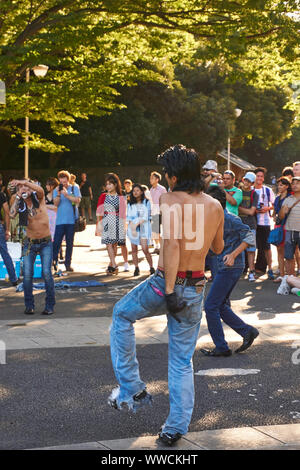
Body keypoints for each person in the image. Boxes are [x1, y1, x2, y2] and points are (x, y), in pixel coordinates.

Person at [108, 144, 224, 446]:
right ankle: (175, 427)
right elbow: (218, 248)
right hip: (197, 285)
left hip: (166, 283)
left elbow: (169, 244)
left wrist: (170, 290)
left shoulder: (165, 199)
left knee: (121, 314)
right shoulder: (214, 205)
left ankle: (131, 386)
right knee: (182, 361)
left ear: (172, 176)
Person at [201, 185, 258, 358]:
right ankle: (247, 331)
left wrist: (233, 254)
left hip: (231, 267)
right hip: (221, 267)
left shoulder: (230, 219)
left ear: (217, 203)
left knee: (210, 306)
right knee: (221, 305)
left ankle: (221, 347)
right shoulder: (212, 220)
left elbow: (250, 236)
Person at [9, 179, 55, 314]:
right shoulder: (20, 203)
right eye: (22, 188)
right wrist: (18, 195)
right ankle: (29, 305)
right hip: (29, 244)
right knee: (28, 275)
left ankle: (50, 305)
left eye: (27, 187)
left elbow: (40, 190)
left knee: (46, 273)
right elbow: (11, 214)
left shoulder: (38, 198)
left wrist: (24, 182)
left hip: (45, 242)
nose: (25, 189)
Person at [95, 173, 128, 275]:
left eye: (110, 184)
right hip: (106, 221)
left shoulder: (121, 197)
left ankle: (111, 265)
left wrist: (123, 227)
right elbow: (99, 211)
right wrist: (98, 225)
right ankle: (114, 264)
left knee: (114, 245)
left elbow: (123, 214)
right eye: (107, 184)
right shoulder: (103, 196)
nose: (108, 186)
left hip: (118, 221)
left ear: (115, 185)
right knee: (108, 243)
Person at [52, 170, 81, 272]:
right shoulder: (56, 190)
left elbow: (78, 200)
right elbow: (55, 204)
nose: (63, 184)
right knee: (56, 243)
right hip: (59, 221)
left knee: (70, 243)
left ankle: (68, 264)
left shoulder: (74, 188)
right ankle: (54, 263)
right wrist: (59, 194)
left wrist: (67, 195)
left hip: (71, 221)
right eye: (61, 182)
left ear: (68, 180)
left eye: (64, 182)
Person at [127, 184, 154, 276]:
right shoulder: (130, 203)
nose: (135, 192)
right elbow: (129, 217)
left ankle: (151, 267)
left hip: (144, 227)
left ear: (142, 192)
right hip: (133, 228)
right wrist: (132, 227)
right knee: (134, 249)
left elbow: (146, 216)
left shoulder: (146, 202)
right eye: (134, 191)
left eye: (137, 190)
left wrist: (136, 224)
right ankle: (136, 268)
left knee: (145, 249)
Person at [254, 167, 275, 279]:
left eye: (261, 176)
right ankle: (251, 269)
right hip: (252, 221)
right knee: (252, 247)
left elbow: (274, 204)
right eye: (258, 176)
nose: (259, 178)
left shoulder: (267, 190)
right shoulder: (250, 189)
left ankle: (269, 268)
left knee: (266, 247)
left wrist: (266, 208)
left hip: (265, 222)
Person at [238, 172, 258, 282]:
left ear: (252, 183)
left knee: (251, 250)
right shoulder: (237, 191)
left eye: (249, 181)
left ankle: (252, 271)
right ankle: (239, 271)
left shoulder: (254, 193)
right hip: (238, 224)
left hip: (250, 224)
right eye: (245, 180)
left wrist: (237, 207)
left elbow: (251, 212)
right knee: (238, 249)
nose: (246, 182)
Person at [279, 176, 300, 276]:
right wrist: (284, 211)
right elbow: (281, 216)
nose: (295, 185)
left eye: (298, 183)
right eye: (293, 183)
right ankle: (291, 279)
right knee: (288, 257)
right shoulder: (288, 199)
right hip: (290, 230)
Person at [273, 176, 292, 282]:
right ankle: (281, 274)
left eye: (281, 185)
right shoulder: (277, 198)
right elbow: (275, 212)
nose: (279, 187)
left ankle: (289, 276)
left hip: (288, 226)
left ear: (287, 186)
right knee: (279, 250)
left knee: (288, 251)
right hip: (278, 226)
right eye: (278, 185)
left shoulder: (290, 197)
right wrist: (274, 216)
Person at [0, 187, 18, 286]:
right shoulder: (1, 195)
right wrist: (7, 229)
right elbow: (7, 212)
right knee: (5, 254)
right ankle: (13, 278)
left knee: (5, 253)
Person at [149, 171, 167, 254]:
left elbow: (166, 200)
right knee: (155, 230)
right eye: (150, 178)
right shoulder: (151, 189)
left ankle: (163, 247)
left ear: (157, 179)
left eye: (152, 178)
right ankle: (157, 246)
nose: (150, 180)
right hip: (154, 211)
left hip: (162, 210)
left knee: (162, 230)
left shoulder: (162, 189)